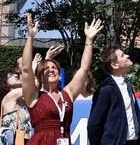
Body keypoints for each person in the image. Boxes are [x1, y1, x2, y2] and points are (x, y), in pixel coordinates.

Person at [21, 13, 103, 145]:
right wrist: (30, 37)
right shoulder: (34, 95)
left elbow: (84, 69)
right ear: (40, 75)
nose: (51, 70)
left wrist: (89, 41)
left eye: (54, 67)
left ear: (59, 74)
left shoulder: (67, 93)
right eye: (46, 68)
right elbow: (26, 70)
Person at [88, 46, 140, 145]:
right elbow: (94, 124)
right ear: (115, 65)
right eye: (122, 55)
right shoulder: (106, 89)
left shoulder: (127, 85)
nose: (127, 56)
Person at [0, 68, 30, 143]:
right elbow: (32, 87)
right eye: (10, 75)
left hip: (22, 139)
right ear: (5, 83)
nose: (16, 75)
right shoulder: (10, 95)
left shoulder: (19, 100)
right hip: (15, 139)